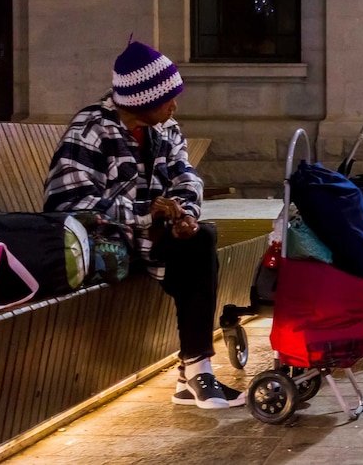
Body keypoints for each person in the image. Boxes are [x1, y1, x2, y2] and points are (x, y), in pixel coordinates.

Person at [43, 40, 245, 408]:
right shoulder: (91, 129)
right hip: (104, 246)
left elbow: (187, 178)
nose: (174, 105)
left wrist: (184, 215)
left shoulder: (166, 129)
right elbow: (66, 204)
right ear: (142, 100)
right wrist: (145, 212)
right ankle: (194, 373)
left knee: (201, 238)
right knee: (196, 253)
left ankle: (196, 372)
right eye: (168, 98)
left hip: (148, 241)